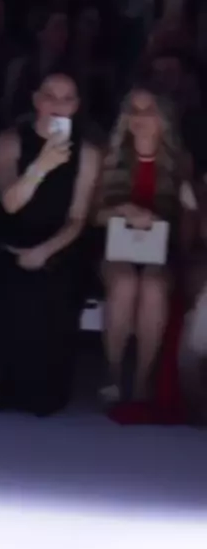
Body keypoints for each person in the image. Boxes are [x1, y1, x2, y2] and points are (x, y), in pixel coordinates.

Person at [0, 71, 100, 415]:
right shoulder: (10, 141)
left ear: (76, 106)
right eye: (50, 96)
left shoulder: (88, 152)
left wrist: (44, 251)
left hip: (58, 246)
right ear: (36, 100)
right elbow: (11, 203)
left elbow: (78, 217)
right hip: (11, 240)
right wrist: (42, 165)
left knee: (52, 293)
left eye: (67, 98)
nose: (58, 105)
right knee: (7, 288)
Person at [96, 86, 195, 410]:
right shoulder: (109, 156)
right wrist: (122, 210)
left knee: (152, 286)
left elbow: (187, 219)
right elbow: (91, 214)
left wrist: (187, 205)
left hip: (161, 252)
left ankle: (142, 379)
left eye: (148, 110)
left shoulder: (180, 162)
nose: (140, 118)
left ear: (162, 118)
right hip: (114, 248)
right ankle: (112, 374)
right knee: (125, 282)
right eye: (133, 110)